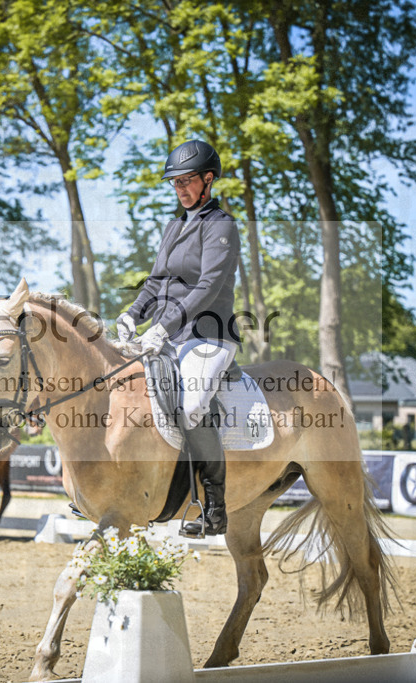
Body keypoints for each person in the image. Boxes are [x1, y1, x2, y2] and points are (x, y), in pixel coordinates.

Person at [116, 139, 241, 537]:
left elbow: (207, 286)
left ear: (208, 180)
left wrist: (162, 326)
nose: (181, 189)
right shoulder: (175, 225)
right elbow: (156, 282)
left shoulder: (220, 225)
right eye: (175, 183)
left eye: (187, 181)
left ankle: (215, 507)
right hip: (166, 334)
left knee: (191, 409)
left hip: (208, 335)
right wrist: (131, 315)